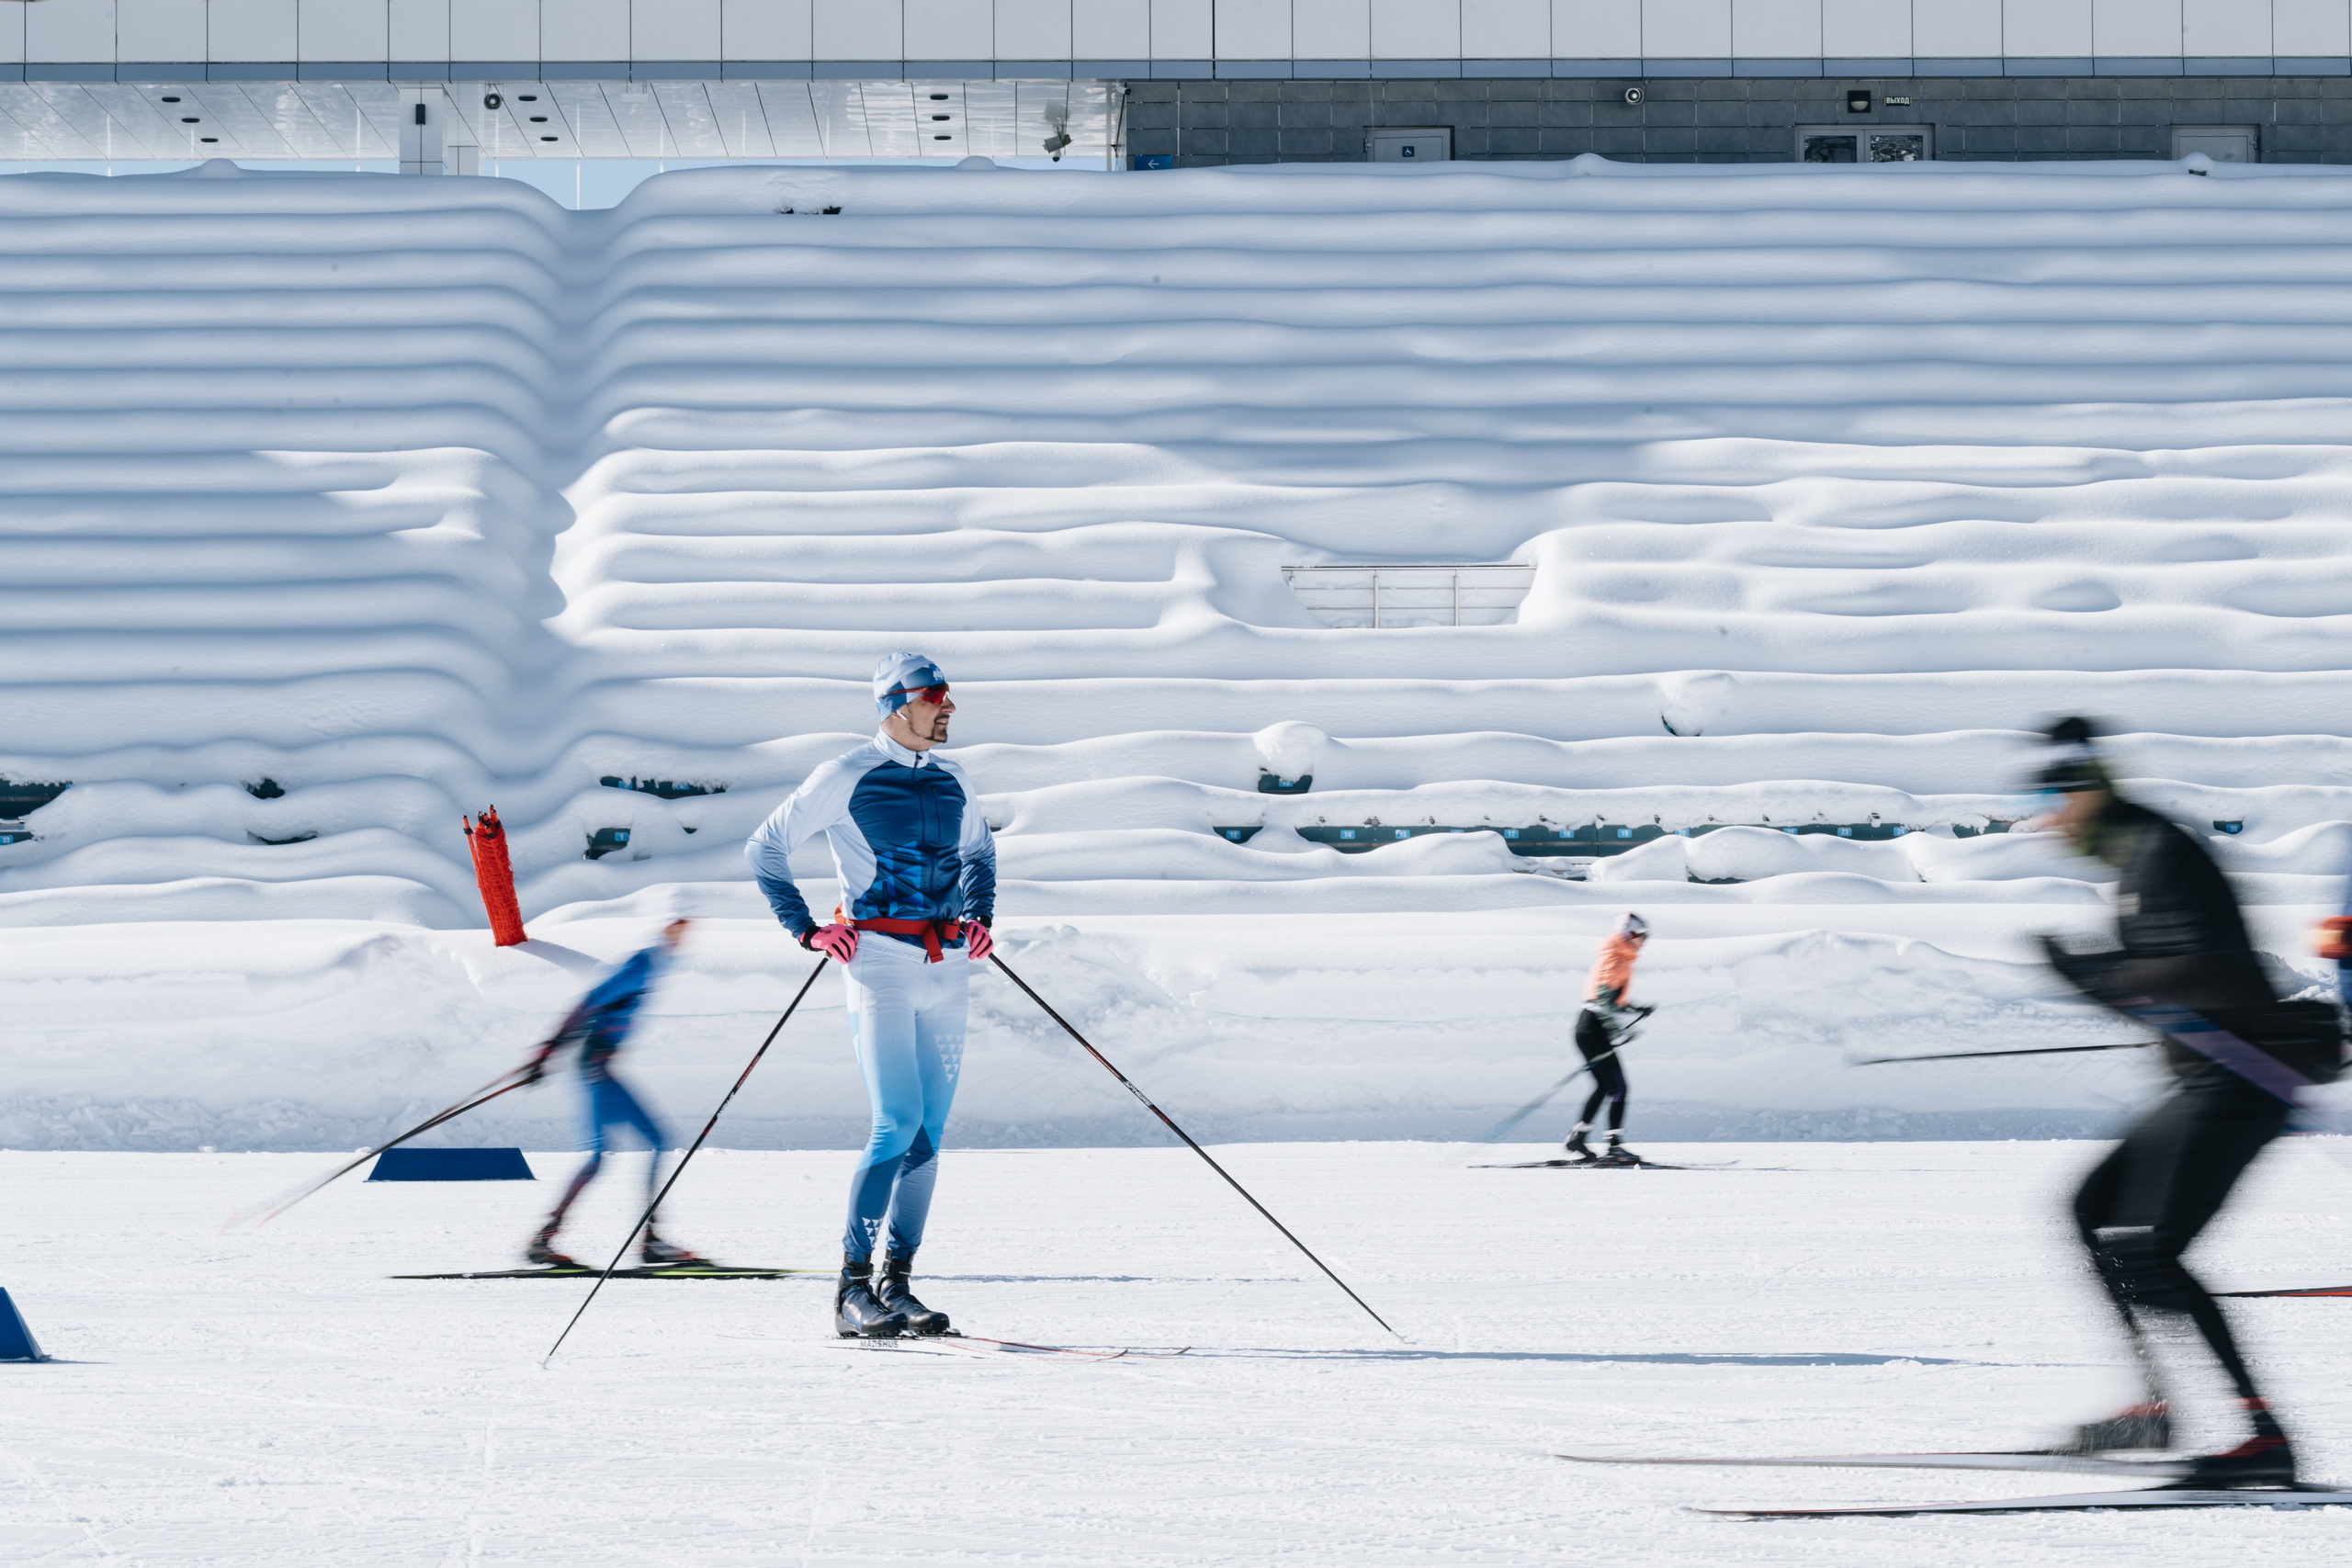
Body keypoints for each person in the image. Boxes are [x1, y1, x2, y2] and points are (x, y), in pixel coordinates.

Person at [2032, 716, 2342, 1487]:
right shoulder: (2141, 857)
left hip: (2244, 1080)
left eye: (2055, 797)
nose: (2045, 818)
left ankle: (2264, 1438)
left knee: (2151, 1247)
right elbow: (2174, 980)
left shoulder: (2160, 855)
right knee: (2090, 1206)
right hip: (2217, 1077)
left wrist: (2095, 977)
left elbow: (2201, 980)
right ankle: (2154, 1408)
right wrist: (2106, 975)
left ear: (2090, 794)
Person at [745, 652, 997, 1339]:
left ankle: (898, 1283)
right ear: (894, 703)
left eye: (950, 694)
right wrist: (806, 929)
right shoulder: (846, 774)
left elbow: (979, 853)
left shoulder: (953, 778)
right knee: (896, 1121)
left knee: (929, 1135)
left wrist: (980, 914)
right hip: (878, 966)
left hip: (945, 969)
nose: (947, 706)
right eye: (934, 695)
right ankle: (851, 1291)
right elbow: (764, 849)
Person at [521, 918, 705, 1269]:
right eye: (678, 924)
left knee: (650, 1143)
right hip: (593, 1067)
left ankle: (645, 1240)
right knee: (600, 1157)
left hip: (600, 1067)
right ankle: (547, 1240)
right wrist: (546, 1052)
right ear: (664, 925)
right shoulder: (642, 964)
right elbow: (588, 1003)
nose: (684, 932)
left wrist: (549, 1053)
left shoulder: (654, 964)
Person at [1567, 913, 1653, 1166]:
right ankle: (1615, 1147)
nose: (1643, 941)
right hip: (1594, 1031)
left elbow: (1609, 1000)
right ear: (1628, 935)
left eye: (1645, 937)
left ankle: (1578, 1138)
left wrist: (1635, 1010)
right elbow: (1603, 1004)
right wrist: (1619, 1031)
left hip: (1589, 1029)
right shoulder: (1616, 959)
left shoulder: (1615, 956)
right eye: (1640, 936)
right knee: (1619, 1087)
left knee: (1606, 1087)